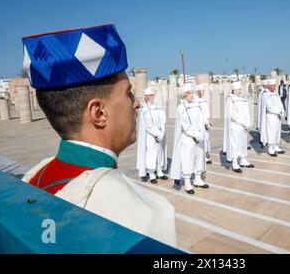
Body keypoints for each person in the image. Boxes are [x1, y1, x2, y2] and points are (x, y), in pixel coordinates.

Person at [21, 24, 176, 247]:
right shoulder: (147, 213)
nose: (137, 103)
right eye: (128, 94)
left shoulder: (35, 176)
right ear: (99, 113)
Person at [170, 83, 209, 194]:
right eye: (190, 93)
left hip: (200, 138)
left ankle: (198, 179)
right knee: (187, 160)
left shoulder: (196, 105)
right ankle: (187, 182)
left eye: (192, 92)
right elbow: (185, 125)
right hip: (188, 139)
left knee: (199, 159)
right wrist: (196, 135)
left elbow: (201, 120)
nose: (192, 95)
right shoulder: (181, 108)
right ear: (185, 94)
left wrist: (202, 133)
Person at [136, 86, 168, 184]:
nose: (151, 97)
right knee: (151, 153)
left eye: (152, 95)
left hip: (160, 135)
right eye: (149, 95)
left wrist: (162, 131)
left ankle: (159, 170)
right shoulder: (145, 109)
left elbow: (163, 119)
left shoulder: (158, 107)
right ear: (145, 96)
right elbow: (149, 125)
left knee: (160, 152)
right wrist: (158, 133)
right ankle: (151, 173)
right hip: (150, 136)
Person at [223, 81, 254, 172]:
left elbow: (245, 112)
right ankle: (235, 163)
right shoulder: (230, 99)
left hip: (243, 126)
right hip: (236, 125)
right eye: (239, 89)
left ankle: (243, 159)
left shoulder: (241, 99)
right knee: (235, 145)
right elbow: (233, 115)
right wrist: (243, 122)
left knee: (243, 143)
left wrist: (247, 122)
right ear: (233, 90)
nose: (240, 91)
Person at [260, 79, 285, 156]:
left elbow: (280, 104)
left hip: (278, 116)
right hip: (271, 116)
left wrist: (282, 111)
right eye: (273, 85)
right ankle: (270, 148)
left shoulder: (276, 94)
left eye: (275, 85)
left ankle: (276, 146)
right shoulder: (265, 94)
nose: (274, 87)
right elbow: (269, 106)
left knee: (277, 131)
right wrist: (278, 111)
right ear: (269, 86)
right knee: (271, 132)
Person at [193, 84, 212, 164]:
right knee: (199, 142)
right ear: (198, 91)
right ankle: (199, 157)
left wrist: (207, 122)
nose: (203, 92)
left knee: (206, 140)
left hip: (205, 126)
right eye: (202, 91)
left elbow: (206, 114)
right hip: (198, 126)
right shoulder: (195, 101)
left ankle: (205, 156)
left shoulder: (203, 101)